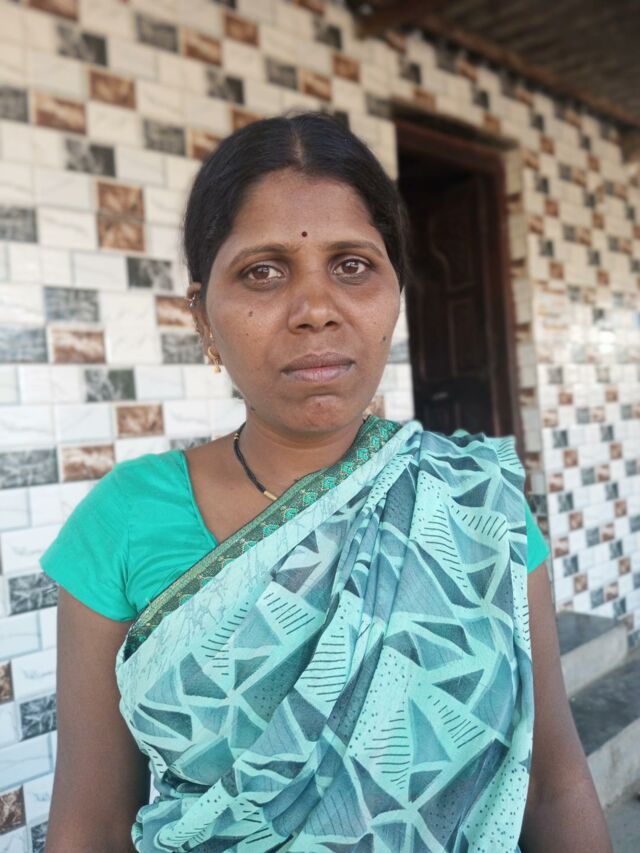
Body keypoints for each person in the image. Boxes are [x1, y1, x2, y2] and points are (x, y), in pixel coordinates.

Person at [42, 111, 612, 852]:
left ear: (395, 294)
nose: (315, 310)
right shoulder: (123, 519)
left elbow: (551, 781)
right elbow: (89, 824)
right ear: (202, 317)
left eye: (351, 266)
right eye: (263, 271)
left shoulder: (477, 506)